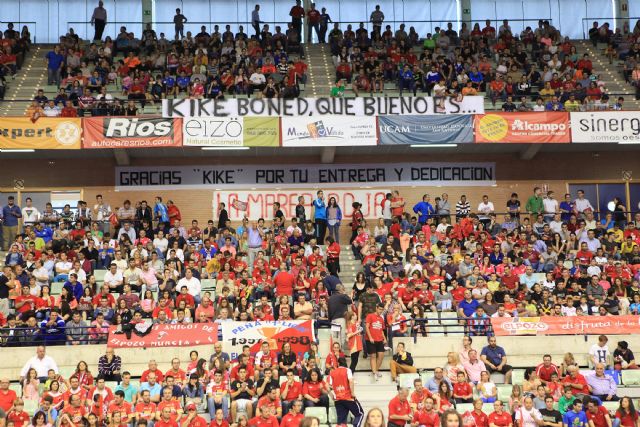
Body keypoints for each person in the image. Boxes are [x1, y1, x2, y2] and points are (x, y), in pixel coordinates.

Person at [328, 357, 364, 427]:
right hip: (348, 398)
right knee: (360, 414)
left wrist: (332, 396)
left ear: (338, 363)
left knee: (341, 422)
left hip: (338, 400)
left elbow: (327, 386)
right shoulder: (347, 370)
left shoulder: (332, 372)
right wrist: (352, 393)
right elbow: (351, 381)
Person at [365, 303, 387, 381]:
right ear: (376, 308)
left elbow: (381, 330)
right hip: (370, 340)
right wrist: (370, 337)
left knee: (381, 355)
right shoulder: (370, 316)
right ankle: (374, 372)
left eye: (382, 309)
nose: (381, 311)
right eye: (380, 309)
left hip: (379, 339)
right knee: (373, 356)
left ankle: (375, 371)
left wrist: (384, 338)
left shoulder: (381, 319)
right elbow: (367, 327)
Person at [328, 284, 352, 351]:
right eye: (343, 289)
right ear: (341, 290)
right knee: (342, 336)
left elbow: (329, 310)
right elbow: (350, 301)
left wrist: (330, 320)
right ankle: (341, 353)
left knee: (336, 337)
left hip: (333, 320)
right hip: (341, 319)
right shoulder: (342, 296)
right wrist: (345, 294)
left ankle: (336, 352)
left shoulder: (330, 298)